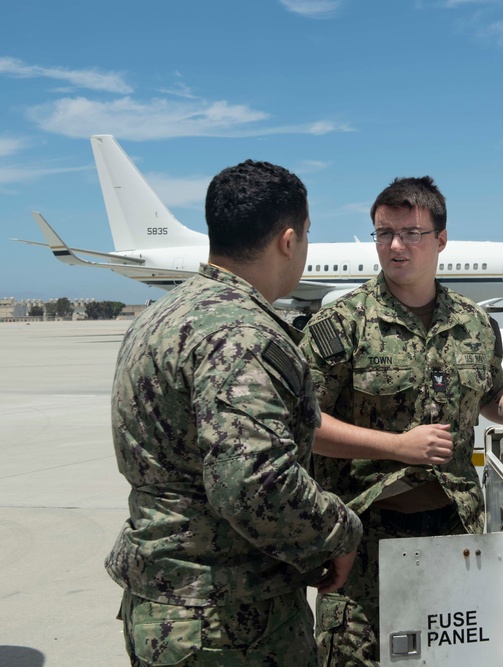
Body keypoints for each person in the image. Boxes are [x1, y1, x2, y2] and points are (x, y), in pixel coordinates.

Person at [300, 175, 503, 664]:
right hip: (366, 539)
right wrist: (395, 447)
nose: (395, 245)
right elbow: (304, 425)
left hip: (455, 535)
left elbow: (491, 390)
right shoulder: (341, 324)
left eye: (411, 233)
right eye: (383, 232)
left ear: (440, 240)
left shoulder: (473, 322)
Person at [106, 159, 362, 666]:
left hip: (163, 606)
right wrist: (339, 530)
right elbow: (252, 480)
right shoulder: (242, 333)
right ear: (288, 240)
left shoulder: (162, 316)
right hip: (229, 623)